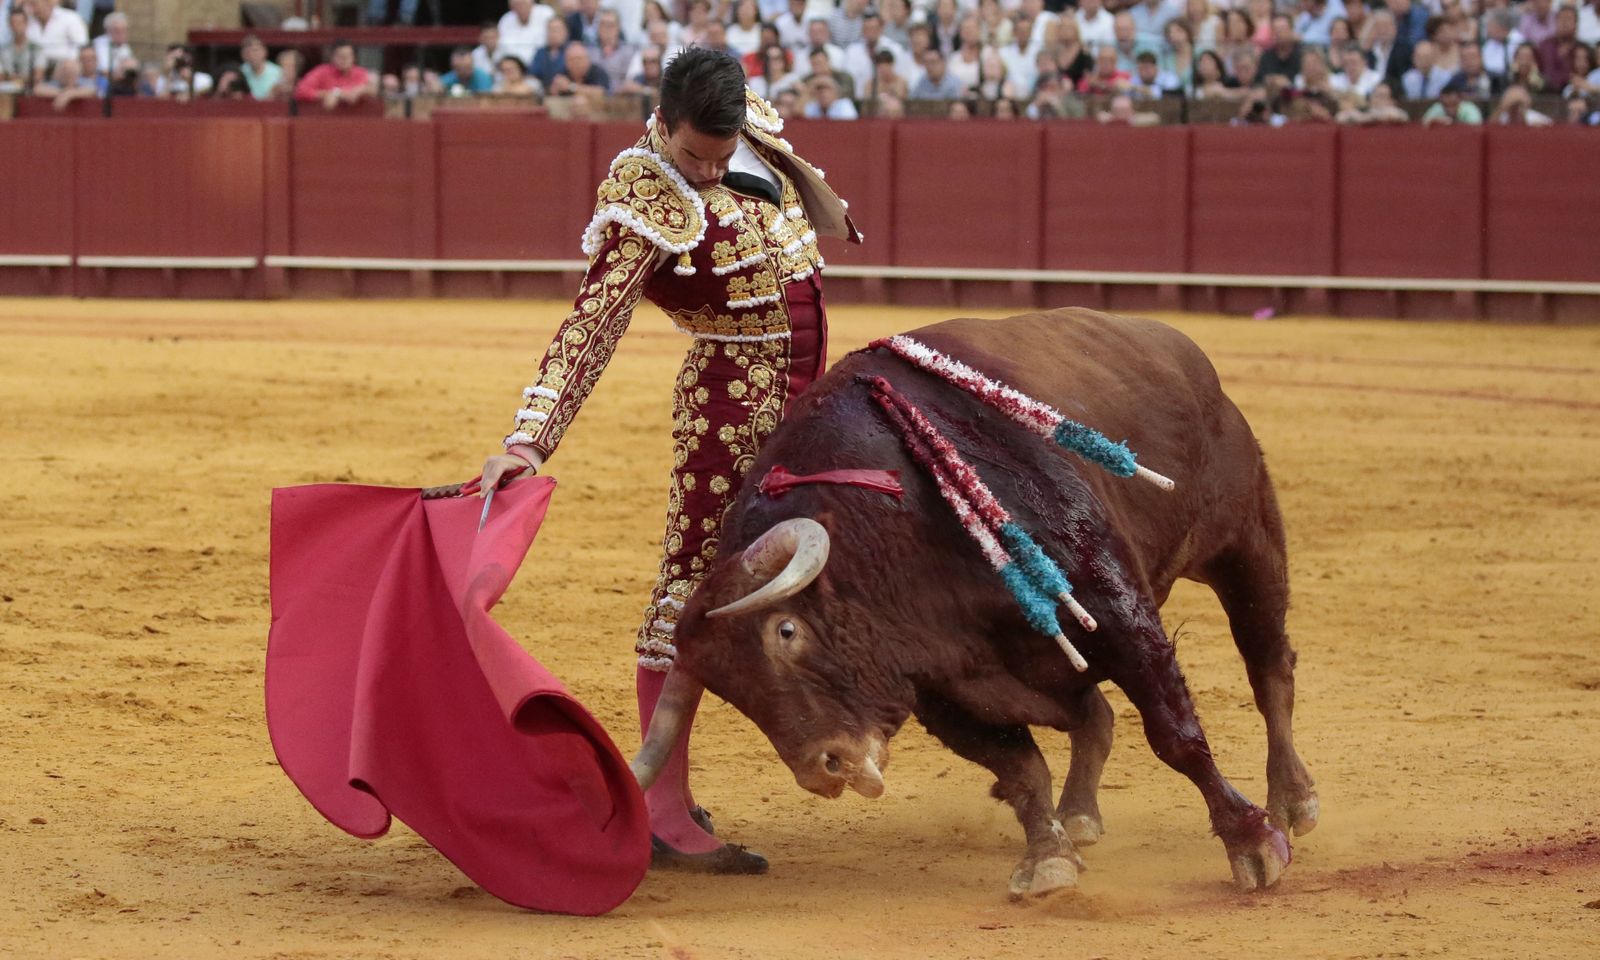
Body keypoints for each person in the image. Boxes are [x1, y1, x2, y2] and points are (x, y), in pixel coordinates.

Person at [425, 47, 858, 876]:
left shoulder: (747, 134)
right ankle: (658, 807)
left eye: (720, 156)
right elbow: (591, 327)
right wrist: (529, 438)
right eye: (694, 155)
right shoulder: (643, 202)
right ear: (660, 125)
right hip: (727, 409)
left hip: (810, 401)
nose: (707, 171)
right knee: (692, 587)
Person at [293, 39, 374, 108]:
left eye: (347, 56)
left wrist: (361, 90)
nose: (344, 60)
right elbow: (300, 91)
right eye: (340, 56)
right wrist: (327, 94)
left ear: (354, 57)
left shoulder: (360, 73)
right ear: (333, 57)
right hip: (325, 121)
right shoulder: (321, 71)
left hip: (357, 121)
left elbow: (372, 89)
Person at [499, 0, 555, 67]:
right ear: (511, 7)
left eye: (523, 3)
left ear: (532, 2)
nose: (521, 7)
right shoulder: (505, 20)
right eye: (517, 4)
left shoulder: (546, 13)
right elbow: (502, 47)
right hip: (514, 67)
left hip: (542, 65)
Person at [240, 34, 282, 101]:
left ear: (264, 51)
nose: (252, 55)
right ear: (243, 55)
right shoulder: (240, 72)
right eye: (248, 52)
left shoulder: (278, 73)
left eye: (255, 50)